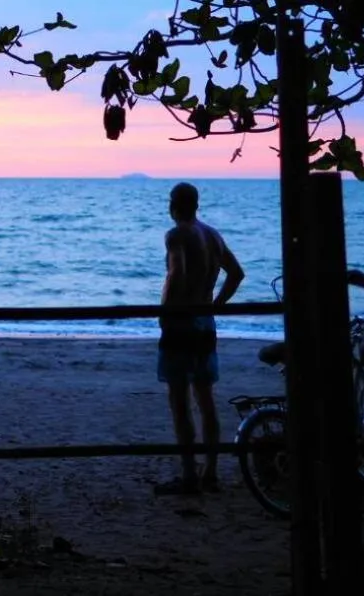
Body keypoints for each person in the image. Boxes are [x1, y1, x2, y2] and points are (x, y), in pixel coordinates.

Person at [155, 182, 245, 495]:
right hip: (206, 322)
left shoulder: (177, 234)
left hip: (181, 323)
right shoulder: (212, 234)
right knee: (205, 399)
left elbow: (176, 274)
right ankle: (212, 472)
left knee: (179, 401)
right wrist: (215, 306)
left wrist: (165, 313)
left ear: (174, 205)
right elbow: (236, 273)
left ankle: (190, 474)